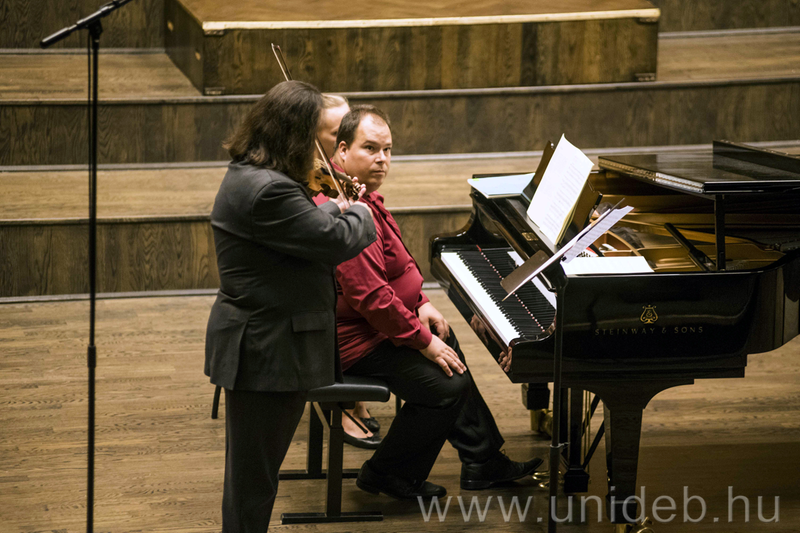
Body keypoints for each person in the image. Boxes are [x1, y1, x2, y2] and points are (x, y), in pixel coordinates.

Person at [329, 105, 543, 500]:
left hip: (377, 327)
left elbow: (397, 265)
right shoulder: (347, 212)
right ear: (342, 151)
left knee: (445, 339)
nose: (382, 159)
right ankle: (385, 473)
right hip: (357, 342)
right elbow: (372, 298)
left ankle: (482, 459)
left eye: (388, 150)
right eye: (370, 148)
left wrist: (421, 302)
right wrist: (421, 341)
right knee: (447, 385)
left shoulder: (364, 197)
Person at [204, 80, 376, 532]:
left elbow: (302, 226)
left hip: (264, 343)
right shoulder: (270, 191)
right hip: (268, 350)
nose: (325, 151)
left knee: (252, 477)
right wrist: (361, 210)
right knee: (253, 482)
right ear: (296, 135)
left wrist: (334, 207)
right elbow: (334, 242)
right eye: (320, 137)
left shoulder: (256, 175)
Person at [313, 94, 382, 448]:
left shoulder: (344, 183)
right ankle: (341, 400)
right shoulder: (312, 185)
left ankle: (355, 397)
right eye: (337, 134)